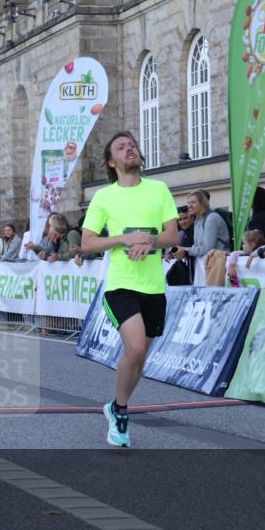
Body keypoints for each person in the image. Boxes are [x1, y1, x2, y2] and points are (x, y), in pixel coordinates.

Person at [80, 131, 178, 448]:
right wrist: (123, 238)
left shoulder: (159, 189)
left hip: (153, 286)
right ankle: (121, 411)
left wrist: (149, 240)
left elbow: (172, 237)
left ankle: (115, 404)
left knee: (140, 359)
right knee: (134, 348)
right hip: (121, 285)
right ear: (112, 161)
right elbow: (87, 243)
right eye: (121, 147)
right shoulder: (104, 197)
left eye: (132, 144)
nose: (130, 149)